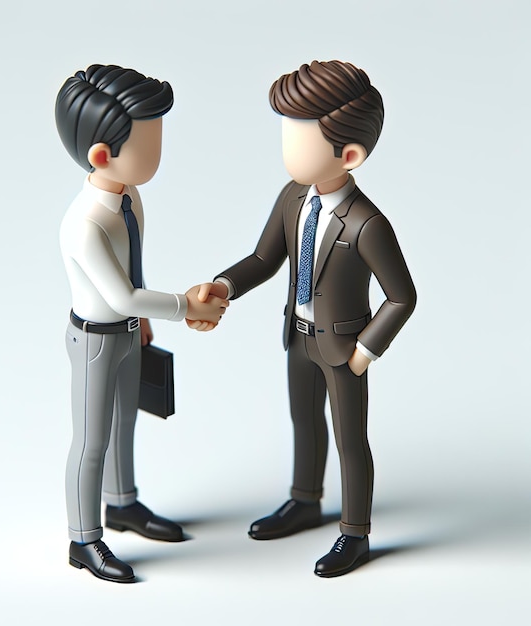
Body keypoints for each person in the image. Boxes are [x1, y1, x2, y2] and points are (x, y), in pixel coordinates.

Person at [193, 60, 416, 577]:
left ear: (350, 154)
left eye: (300, 139)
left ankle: (354, 533)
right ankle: (305, 499)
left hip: (342, 349)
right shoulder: (293, 198)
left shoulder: (367, 223)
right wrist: (224, 286)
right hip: (297, 336)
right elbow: (264, 259)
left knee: (350, 440)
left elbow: (401, 296)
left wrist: (364, 351)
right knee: (304, 421)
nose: (287, 150)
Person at [56, 64, 227, 583]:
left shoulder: (130, 198)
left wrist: (146, 323)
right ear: (102, 155)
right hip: (94, 340)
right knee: (90, 440)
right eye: (146, 145)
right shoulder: (84, 223)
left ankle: (123, 502)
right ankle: (84, 539)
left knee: (125, 423)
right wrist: (185, 307)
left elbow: (134, 265)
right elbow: (121, 293)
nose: (156, 156)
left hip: (129, 332)